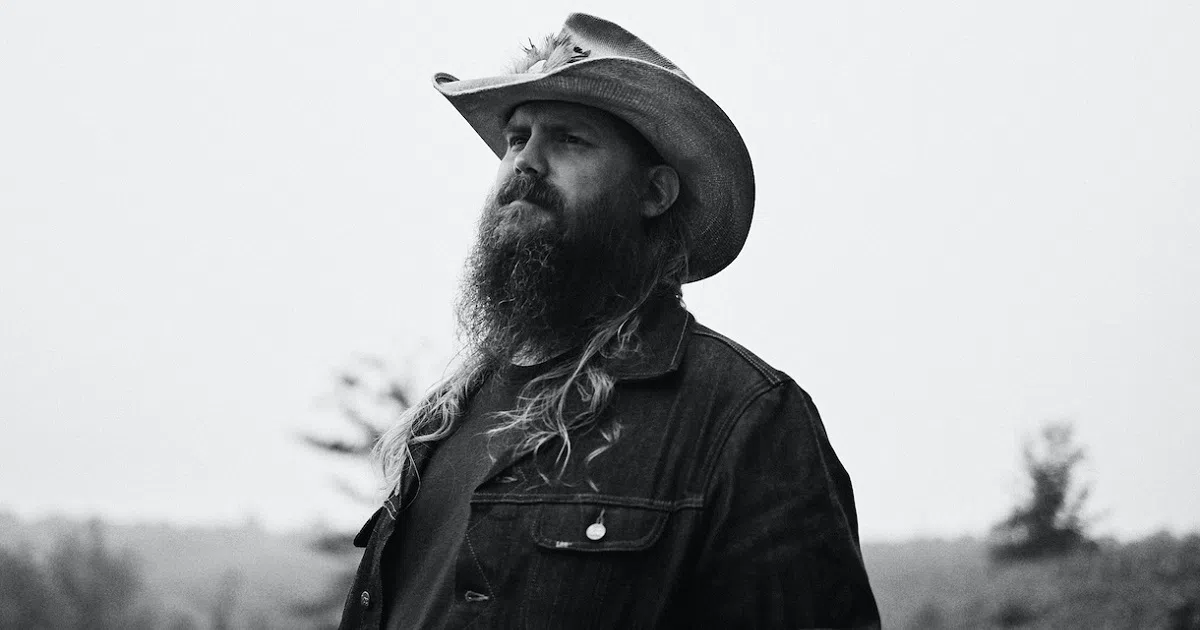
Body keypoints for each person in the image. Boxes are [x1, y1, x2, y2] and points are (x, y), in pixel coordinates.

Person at [340, 13, 880, 630]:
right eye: (517, 138)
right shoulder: (444, 421)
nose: (526, 163)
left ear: (654, 194)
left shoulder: (745, 417)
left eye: (570, 140)